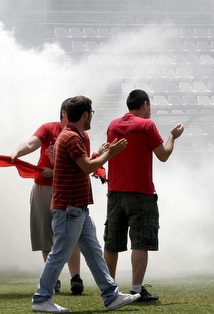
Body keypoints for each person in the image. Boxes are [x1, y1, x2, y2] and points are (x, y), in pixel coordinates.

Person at [32, 95, 140, 313]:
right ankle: (41, 298)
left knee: (93, 251)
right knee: (60, 254)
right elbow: (87, 167)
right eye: (91, 113)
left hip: (76, 208)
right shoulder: (71, 137)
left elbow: (83, 163)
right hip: (70, 208)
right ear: (84, 114)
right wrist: (109, 154)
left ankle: (111, 295)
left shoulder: (72, 135)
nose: (91, 117)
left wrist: (100, 153)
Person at [104, 89, 184, 301]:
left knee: (112, 242)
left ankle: (109, 289)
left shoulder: (113, 125)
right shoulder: (147, 125)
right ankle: (137, 288)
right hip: (140, 192)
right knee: (140, 241)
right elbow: (163, 155)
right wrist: (172, 137)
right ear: (145, 105)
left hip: (114, 192)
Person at [11, 98, 84, 295]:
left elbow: (81, 165)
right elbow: (31, 143)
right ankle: (53, 278)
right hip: (43, 188)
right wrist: (18, 152)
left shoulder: (80, 134)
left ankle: (75, 277)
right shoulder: (48, 129)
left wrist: (53, 173)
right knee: (45, 234)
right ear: (63, 113)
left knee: (72, 234)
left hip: (67, 188)